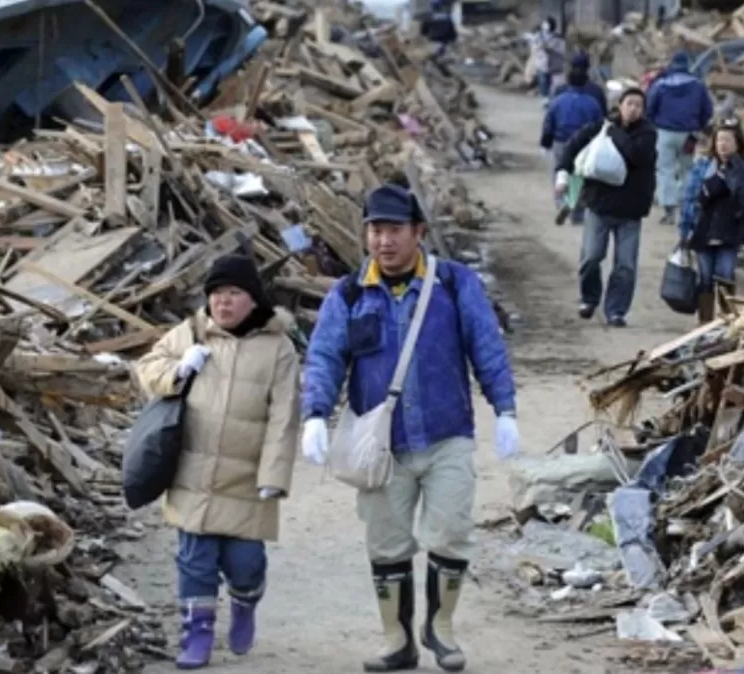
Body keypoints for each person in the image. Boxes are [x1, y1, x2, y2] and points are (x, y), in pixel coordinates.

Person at [299, 184, 519, 673]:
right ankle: (396, 640)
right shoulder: (350, 293)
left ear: (418, 232)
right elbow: (325, 356)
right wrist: (314, 412)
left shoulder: (455, 285)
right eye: (375, 230)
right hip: (382, 447)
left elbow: (486, 345)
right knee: (387, 543)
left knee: (451, 533)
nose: (384, 241)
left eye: (394, 230)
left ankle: (440, 629)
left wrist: (504, 408)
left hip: (447, 435)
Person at [134, 254, 299, 670]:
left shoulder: (278, 348)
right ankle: (197, 634)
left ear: (253, 300)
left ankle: (246, 602)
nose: (222, 303)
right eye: (215, 294)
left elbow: (284, 416)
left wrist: (274, 476)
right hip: (194, 472)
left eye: (233, 294)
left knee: (245, 564)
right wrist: (176, 370)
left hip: (246, 478)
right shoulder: (191, 334)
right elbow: (145, 369)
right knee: (195, 560)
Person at [555, 87, 657, 327]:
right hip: (599, 205)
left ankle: (616, 311)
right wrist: (563, 174)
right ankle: (589, 299)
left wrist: (614, 132)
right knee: (591, 257)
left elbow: (635, 156)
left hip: (631, 210)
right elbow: (572, 146)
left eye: (638, 105)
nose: (633, 109)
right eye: (629, 103)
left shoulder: (648, 134)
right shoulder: (599, 128)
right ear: (620, 105)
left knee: (625, 265)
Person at [678, 119, 744, 323]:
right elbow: (692, 198)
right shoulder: (703, 165)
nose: (723, 144)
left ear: (737, 143)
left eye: (728, 140)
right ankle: (705, 323)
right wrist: (684, 230)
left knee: (725, 274)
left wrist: (734, 168)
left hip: (730, 231)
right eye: (720, 139)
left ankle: (726, 321)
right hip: (704, 229)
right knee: (705, 278)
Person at [646, 51, 714, 224]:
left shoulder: (660, 84)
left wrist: (654, 123)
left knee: (665, 170)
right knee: (688, 170)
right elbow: (708, 110)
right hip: (689, 135)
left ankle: (669, 211)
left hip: (664, 133)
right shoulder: (698, 85)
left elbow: (650, 107)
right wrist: (698, 125)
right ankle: (688, 206)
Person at [541, 55, 606, 225]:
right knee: (580, 175)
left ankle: (561, 202)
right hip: (585, 143)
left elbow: (549, 121)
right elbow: (601, 123)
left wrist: (546, 142)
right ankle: (577, 210)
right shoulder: (593, 100)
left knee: (560, 171)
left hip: (561, 140)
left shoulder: (559, 97)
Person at [530, 18, 565, 99]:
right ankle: (544, 99)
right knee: (543, 82)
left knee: (553, 84)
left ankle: (550, 98)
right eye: (544, 23)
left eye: (546, 23)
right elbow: (535, 48)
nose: (544, 25)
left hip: (554, 64)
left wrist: (549, 48)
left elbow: (560, 50)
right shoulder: (538, 36)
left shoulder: (557, 38)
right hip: (541, 64)